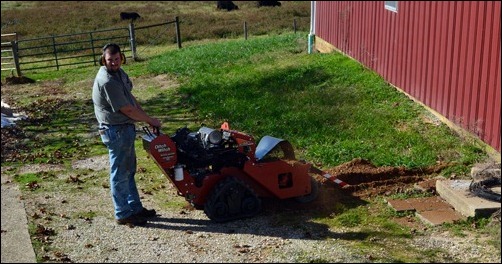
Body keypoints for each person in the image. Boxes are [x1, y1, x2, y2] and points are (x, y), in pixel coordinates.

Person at [92, 43, 161, 226]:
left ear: (121, 58)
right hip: (115, 131)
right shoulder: (107, 81)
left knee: (129, 171)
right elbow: (128, 110)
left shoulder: (119, 74)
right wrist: (150, 120)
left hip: (125, 130)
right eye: (110, 60)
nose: (113, 63)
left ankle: (135, 209)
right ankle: (122, 213)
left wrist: (146, 116)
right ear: (103, 60)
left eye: (116, 59)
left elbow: (131, 99)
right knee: (120, 173)